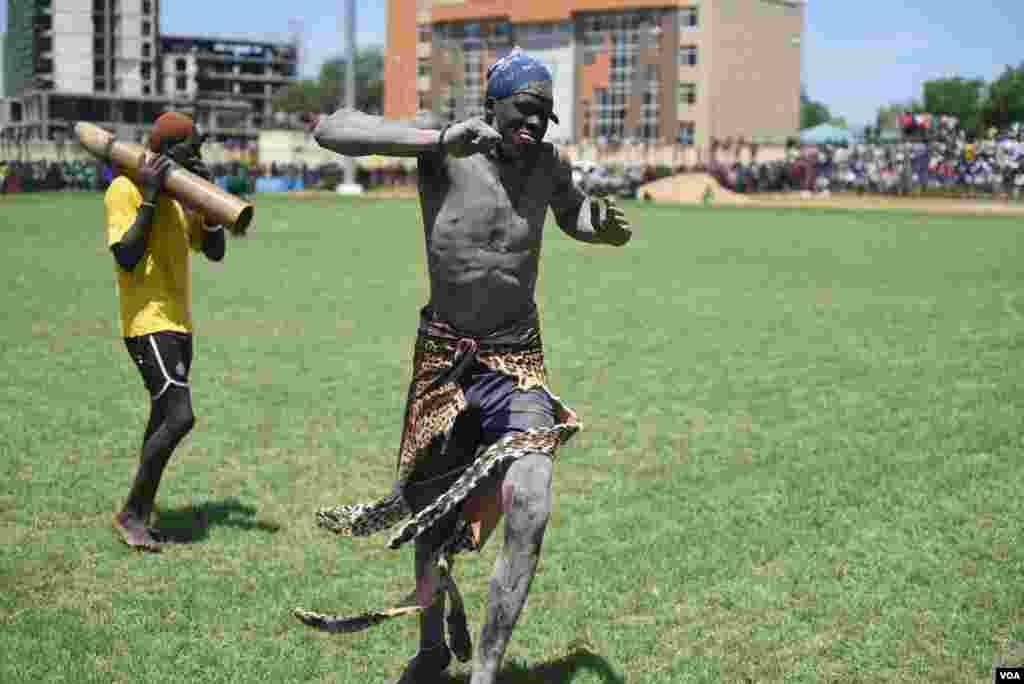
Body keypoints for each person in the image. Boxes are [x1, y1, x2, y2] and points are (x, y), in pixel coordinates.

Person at [293, 50, 632, 684]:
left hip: (516, 359)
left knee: (530, 505)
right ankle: (430, 648)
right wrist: (436, 136)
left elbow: (574, 212)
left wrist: (603, 227)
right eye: (524, 113)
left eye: (544, 116)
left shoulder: (548, 165)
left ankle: (486, 670)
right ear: (492, 105)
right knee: (431, 514)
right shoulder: (444, 152)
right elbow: (332, 128)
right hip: (446, 358)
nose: (534, 126)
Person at [106, 111, 226, 552]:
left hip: (179, 322)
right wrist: (151, 197)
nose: (197, 155)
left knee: (162, 417)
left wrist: (210, 202)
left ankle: (140, 511)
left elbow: (214, 251)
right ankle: (131, 514)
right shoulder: (125, 188)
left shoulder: (182, 196)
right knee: (180, 415)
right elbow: (126, 256)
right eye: (191, 148)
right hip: (146, 322)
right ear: (166, 148)